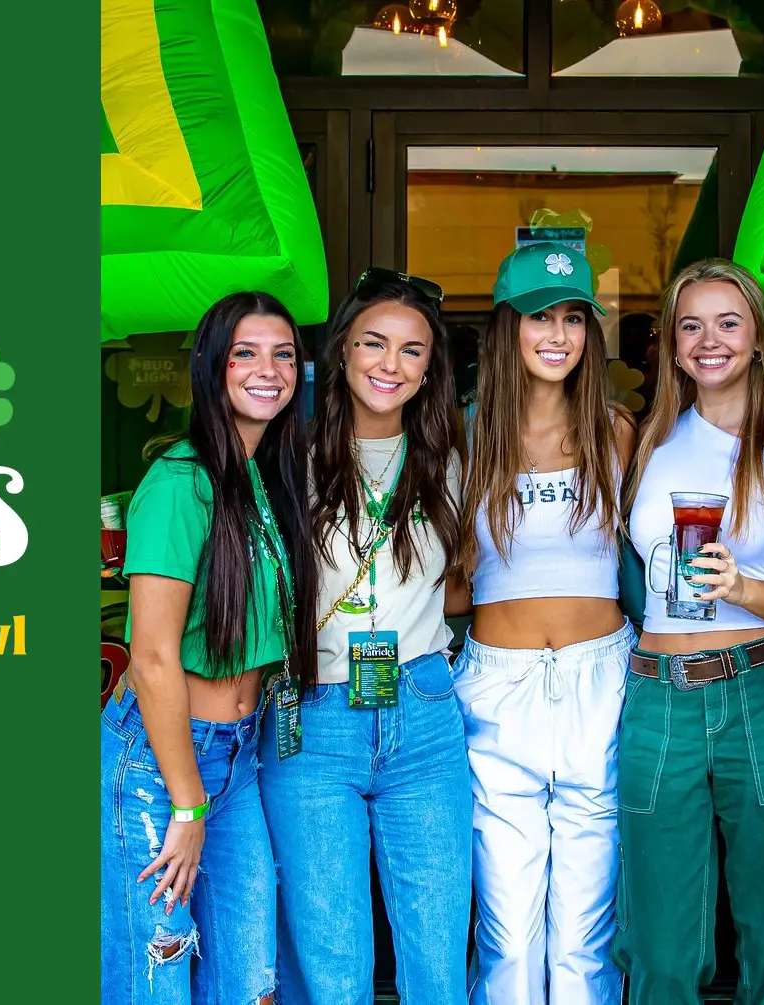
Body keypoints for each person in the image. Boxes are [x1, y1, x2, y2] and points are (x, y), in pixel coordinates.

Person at [259, 268, 472, 1003]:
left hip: (424, 709)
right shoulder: (286, 458)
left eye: (412, 351)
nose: (391, 364)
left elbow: (468, 578)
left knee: (438, 958)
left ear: (430, 366)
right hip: (315, 715)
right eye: (375, 343)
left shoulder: (452, 458)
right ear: (342, 350)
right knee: (332, 962)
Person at [614, 259, 764, 1004]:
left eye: (729, 323)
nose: (710, 340)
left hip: (759, 691)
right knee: (658, 942)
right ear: (671, 346)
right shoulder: (646, 442)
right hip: (655, 702)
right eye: (691, 325)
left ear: (760, 339)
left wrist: (743, 587)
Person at [101, 292, 317, 1005]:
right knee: (154, 977)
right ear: (211, 368)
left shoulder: (261, 477)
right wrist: (187, 805)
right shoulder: (177, 483)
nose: (268, 369)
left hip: (238, 761)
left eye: (283, 353)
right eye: (245, 353)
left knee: (249, 982)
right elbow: (154, 656)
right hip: (160, 768)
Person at [451, 243, 636, 1004]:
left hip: (603, 677)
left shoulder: (618, 431)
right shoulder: (466, 433)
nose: (557, 334)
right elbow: (451, 579)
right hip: (498, 687)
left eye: (573, 317)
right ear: (506, 328)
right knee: (509, 932)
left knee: (587, 937)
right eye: (538, 317)